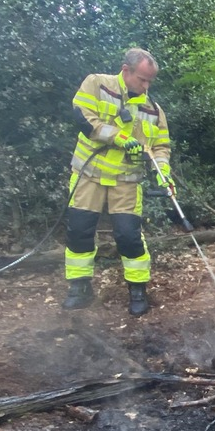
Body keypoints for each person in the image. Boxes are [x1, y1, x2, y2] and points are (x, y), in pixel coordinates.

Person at [61, 48, 172, 316]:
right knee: (79, 231)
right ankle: (80, 288)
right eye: (142, 79)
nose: (146, 86)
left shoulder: (154, 110)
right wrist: (118, 137)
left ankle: (137, 290)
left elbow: (161, 146)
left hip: (126, 181)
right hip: (89, 175)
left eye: (150, 81)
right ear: (126, 71)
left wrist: (162, 171)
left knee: (128, 235)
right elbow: (83, 116)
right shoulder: (97, 84)